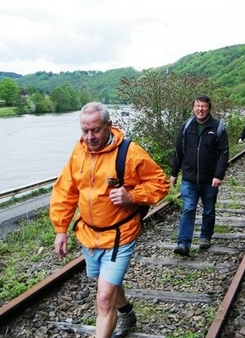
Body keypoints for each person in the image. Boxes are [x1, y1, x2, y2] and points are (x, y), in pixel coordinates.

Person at [50, 102, 169, 338]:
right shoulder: (79, 151)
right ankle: (125, 310)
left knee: (104, 298)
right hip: (89, 235)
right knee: (108, 283)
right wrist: (61, 228)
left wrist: (132, 195)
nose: (89, 137)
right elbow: (66, 190)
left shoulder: (129, 152)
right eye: (84, 131)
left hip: (119, 236)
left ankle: (113, 318)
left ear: (109, 126)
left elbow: (161, 183)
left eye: (95, 130)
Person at [170, 95, 229, 256]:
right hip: (189, 178)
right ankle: (183, 243)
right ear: (193, 107)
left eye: (203, 106)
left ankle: (205, 236)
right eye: (197, 106)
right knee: (188, 208)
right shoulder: (186, 126)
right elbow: (178, 151)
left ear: (209, 108)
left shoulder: (218, 127)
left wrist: (218, 175)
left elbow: (224, 153)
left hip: (210, 179)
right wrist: (174, 173)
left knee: (208, 209)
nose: (200, 109)